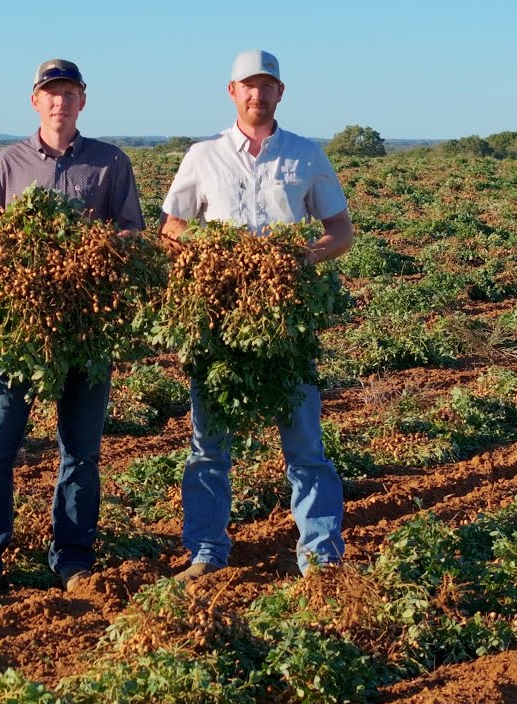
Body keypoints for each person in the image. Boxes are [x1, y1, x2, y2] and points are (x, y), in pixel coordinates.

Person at [0, 59, 145, 598]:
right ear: (35, 101)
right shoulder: (7, 163)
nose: (59, 101)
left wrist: (92, 251)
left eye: (69, 92)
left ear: (84, 100)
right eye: (50, 93)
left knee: (80, 452)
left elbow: (133, 236)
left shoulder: (110, 164)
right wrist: (10, 244)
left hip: (85, 328)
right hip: (18, 329)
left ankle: (74, 560)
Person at [159, 49, 355, 582]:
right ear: (232, 92)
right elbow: (171, 231)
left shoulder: (306, 154)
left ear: (280, 93)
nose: (257, 94)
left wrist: (300, 257)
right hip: (218, 319)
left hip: (286, 318)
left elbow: (340, 231)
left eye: (266, 86)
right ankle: (205, 552)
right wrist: (217, 254)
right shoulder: (203, 155)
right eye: (248, 85)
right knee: (208, 445)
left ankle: (321, 558)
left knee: (305, 444)